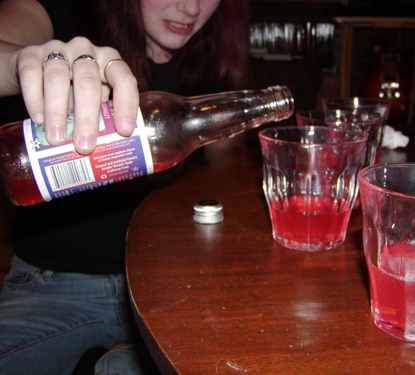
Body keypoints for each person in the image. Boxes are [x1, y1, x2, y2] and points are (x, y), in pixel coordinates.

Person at [0, 0, 250, 374]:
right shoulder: (62, 11)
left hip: (172, 281)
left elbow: (222, 171)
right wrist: (23, 63)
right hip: (55, 283)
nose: (190, 7)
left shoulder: (216, 51)